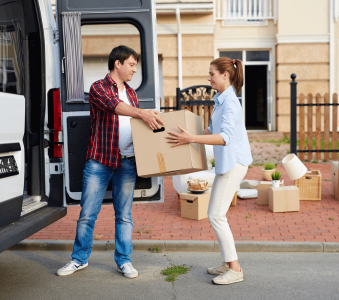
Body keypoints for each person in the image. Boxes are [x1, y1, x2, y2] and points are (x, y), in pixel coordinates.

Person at [57, 45, 164, 279]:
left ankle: (124, 261)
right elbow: (114, 107)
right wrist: (142, 113)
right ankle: (79, 259)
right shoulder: (98, 88)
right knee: (87, 213)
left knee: (124, 215)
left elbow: (137, 124)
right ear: (118, 63)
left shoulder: (133, 93)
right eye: (132, 64)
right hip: (100, 162)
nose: (134, 70)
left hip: (127, 163)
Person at [166, 57, 252, 285]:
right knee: (216, 214)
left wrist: (191, 138)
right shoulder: (221, 100)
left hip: (234, 164)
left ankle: (235, 269)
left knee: (215, 215)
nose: (208, 77)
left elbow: (224, 138)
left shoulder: (231, 102)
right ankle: (228, 262)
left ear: (225, 75)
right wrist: (186, 133)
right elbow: (211, 130)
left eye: (212, 73)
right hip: (227, 163)